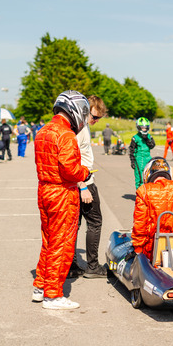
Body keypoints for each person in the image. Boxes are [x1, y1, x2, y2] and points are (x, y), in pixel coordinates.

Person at [32, 90, 92, 310]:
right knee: (62, 244)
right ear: (75, 110)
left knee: (48, 241)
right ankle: (53, 295)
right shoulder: (65, 134)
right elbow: (70, 169)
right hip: (61, 194)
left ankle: (40, 286)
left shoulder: (42, 131)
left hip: (44, 190)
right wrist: (84, 172)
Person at [68, 95, 109, 279]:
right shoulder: (80, 128)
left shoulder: (79, 126)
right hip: (83, 182)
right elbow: (73, 159)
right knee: (94, 222)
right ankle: (92, 266)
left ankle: (71, 265)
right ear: (86, 111)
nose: (96, 120)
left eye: (99, 118)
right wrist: (83, 185)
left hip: (78, 181)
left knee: (74, 225)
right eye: (94, 116)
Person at [128, 157, 173, 262]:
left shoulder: (144, 191)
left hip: (149, 250)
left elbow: (140, 224)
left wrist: (137, 250)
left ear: (148, 173)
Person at [129, 117, 155, 190]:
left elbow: (152, 146)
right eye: (142, 128)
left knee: (149, 177)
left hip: (148, 158)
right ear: (138, 127)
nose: (144, 129)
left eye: (145, 128)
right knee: (140, 178)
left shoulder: (149, 136)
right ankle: (140, 196)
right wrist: (132, 161)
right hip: (139, 159)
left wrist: (147, 139)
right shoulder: (135, 138)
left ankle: (147, 194)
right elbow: (131, 150)